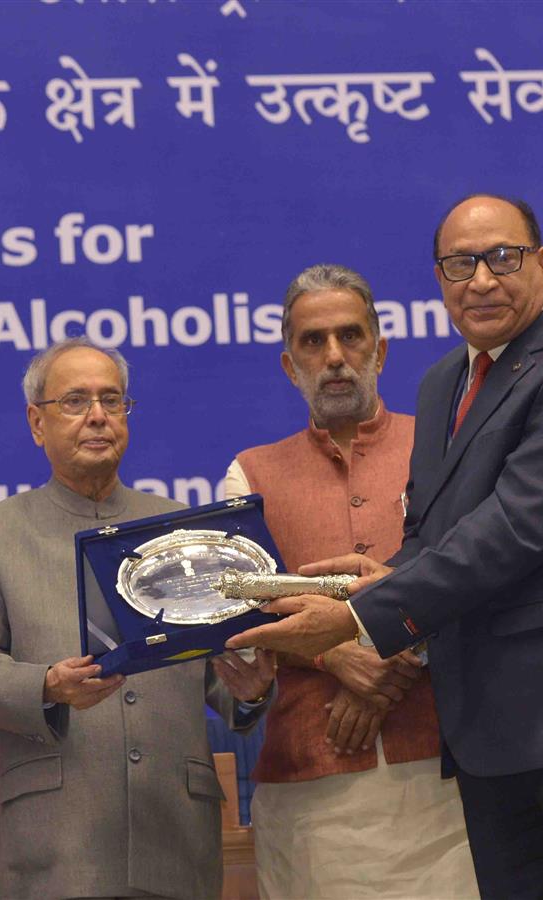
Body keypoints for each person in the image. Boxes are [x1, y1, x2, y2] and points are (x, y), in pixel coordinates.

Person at [230, 195, 543, 898]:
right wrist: (378, 577)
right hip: (491, 735)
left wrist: (358, 616)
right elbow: (439, 534)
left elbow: (513, 531)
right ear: (439, 278)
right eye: (459, 263)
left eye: (503, 257)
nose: (481, 280)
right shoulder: (447, 383)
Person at [0, 337, 277, 900]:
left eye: (111, 400)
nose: (97, 416)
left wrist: (250, 690)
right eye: (75, 401)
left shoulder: (181, 531)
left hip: (176, 832)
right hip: (58, 841)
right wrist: (45, 685)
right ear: (36, 422)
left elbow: (223, 672)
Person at [223, 263, 475, 898]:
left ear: (380, 350)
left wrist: (389, 656)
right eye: (313, 342)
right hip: (314, 792)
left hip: (450, 779)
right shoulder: (249, 474)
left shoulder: (447, 450)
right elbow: (243, 613)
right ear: (289, 365)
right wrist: (338, 657)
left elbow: (479, 576)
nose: (334, 357)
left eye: (350, 336)